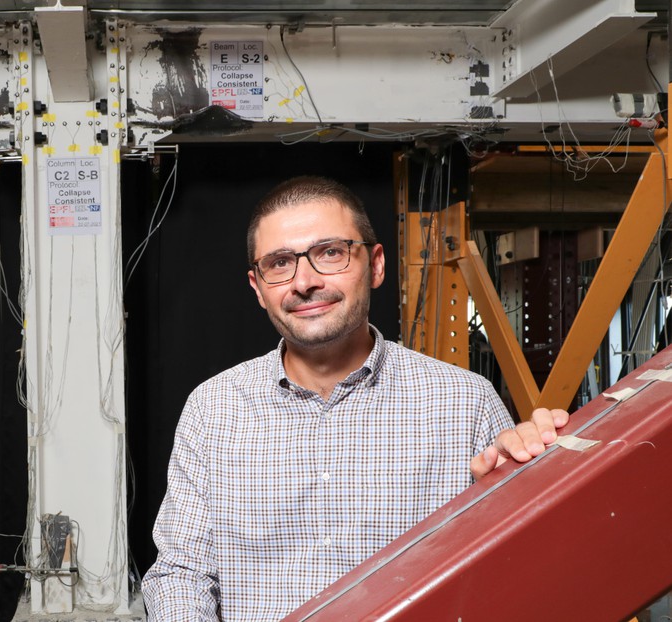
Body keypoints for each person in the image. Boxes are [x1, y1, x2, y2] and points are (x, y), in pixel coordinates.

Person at [140, 176, 569, 621]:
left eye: (330, 253)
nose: (303, 282)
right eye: (280, 263)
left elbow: (516, 574)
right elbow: (181, 574)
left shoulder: (464, 404)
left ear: (376, 264)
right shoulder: (213, 410)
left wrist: (524, 498)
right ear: (258, 288)